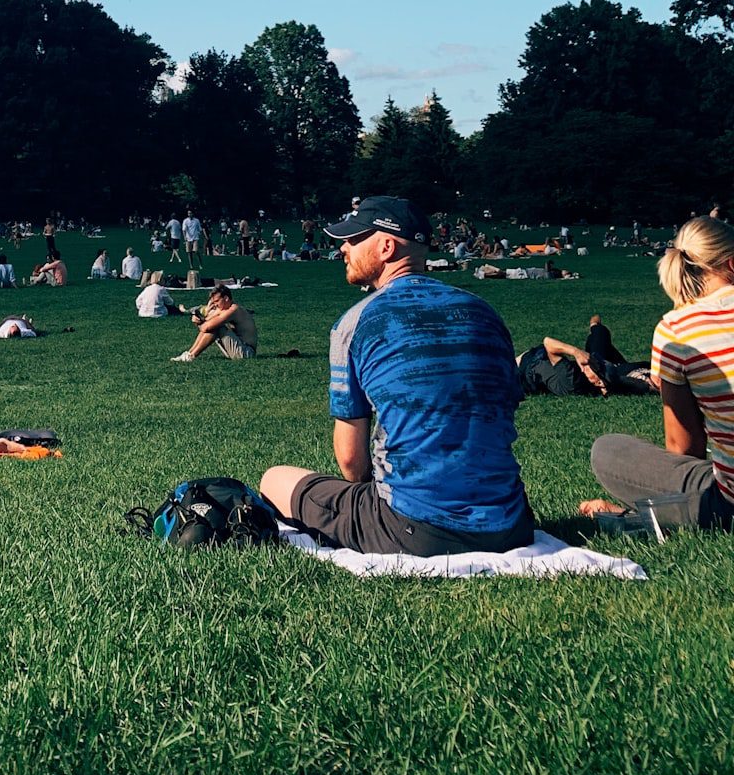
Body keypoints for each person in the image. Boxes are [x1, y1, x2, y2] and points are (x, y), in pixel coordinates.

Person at [258, 196, 534, 556]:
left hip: (414, 529)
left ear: (386, 246)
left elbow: (351, 464)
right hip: (512, 523)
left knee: (274, 479)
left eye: (355, 240)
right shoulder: (484, 313)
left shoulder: (357, 323)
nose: (344, 248)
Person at [582, 217, 734, 528]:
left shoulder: (676, 331)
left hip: (728, 502)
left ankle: (641, 519)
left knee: (607, 451)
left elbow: (682, 448)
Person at [517, 316, 652, 397]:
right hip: (535, 363)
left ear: (598, 382)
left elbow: (548, 342)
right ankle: (595, 325)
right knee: (600, 334)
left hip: (528, 366)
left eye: (591, 366)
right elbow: (642, 386)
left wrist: (576, 352)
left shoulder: (569, 378)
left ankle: (596, 325)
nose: (588, 362)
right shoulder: (609, 379)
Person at [171, 286, 257, 361]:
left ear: (226, 298)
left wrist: (200, 322)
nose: (215, 304)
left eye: (217, 301)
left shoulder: (233, 310)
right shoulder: (223, 309)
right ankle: (189, 353)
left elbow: (207, 327)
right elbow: (206, 321)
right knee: (213, 325)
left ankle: (191, 356)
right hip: (239, 349)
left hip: (247, 352)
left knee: (216, 327)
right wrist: (200, 318)